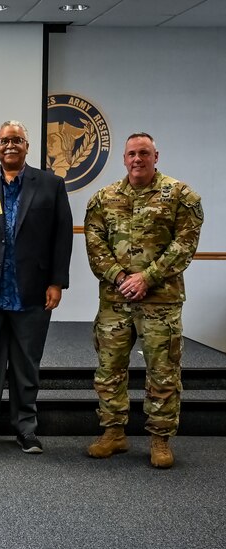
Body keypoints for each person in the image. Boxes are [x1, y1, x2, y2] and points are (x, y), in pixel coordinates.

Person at [84, 132, 203, 469]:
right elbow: (95, 246)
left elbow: (184, 244)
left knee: (163, 371)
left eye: (144, 153)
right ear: (124, 159)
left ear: (156, 156)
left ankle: (160, 440)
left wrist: (146, 277)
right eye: (132, 154)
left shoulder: (181, 195)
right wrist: (121, 278)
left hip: (160, 301)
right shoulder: (103, 198)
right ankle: (113, 433)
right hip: (114, 300)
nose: (137, 159)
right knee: (109, 371)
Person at [0, 120, 73, 454]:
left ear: (27, 146)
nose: (11, 145)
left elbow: (61, 238)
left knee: (26, 365)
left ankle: (26, 428)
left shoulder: (51, 185)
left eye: (17, 140)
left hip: (32, 291)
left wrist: (56, 282)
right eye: (5, 140)